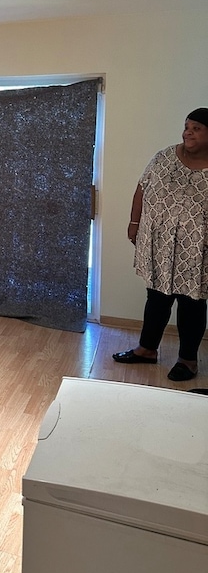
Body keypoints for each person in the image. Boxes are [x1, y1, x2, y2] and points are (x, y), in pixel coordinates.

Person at [113, 108, 208, 381]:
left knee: (192, 303)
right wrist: (134, 223)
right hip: (160, 244)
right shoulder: (165, 156)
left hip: (198, 250)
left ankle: (188, 360)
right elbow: (142, 187)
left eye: (196, 128)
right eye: (186, 126)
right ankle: (147, 349)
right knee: (156, 298)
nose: (187, 132)